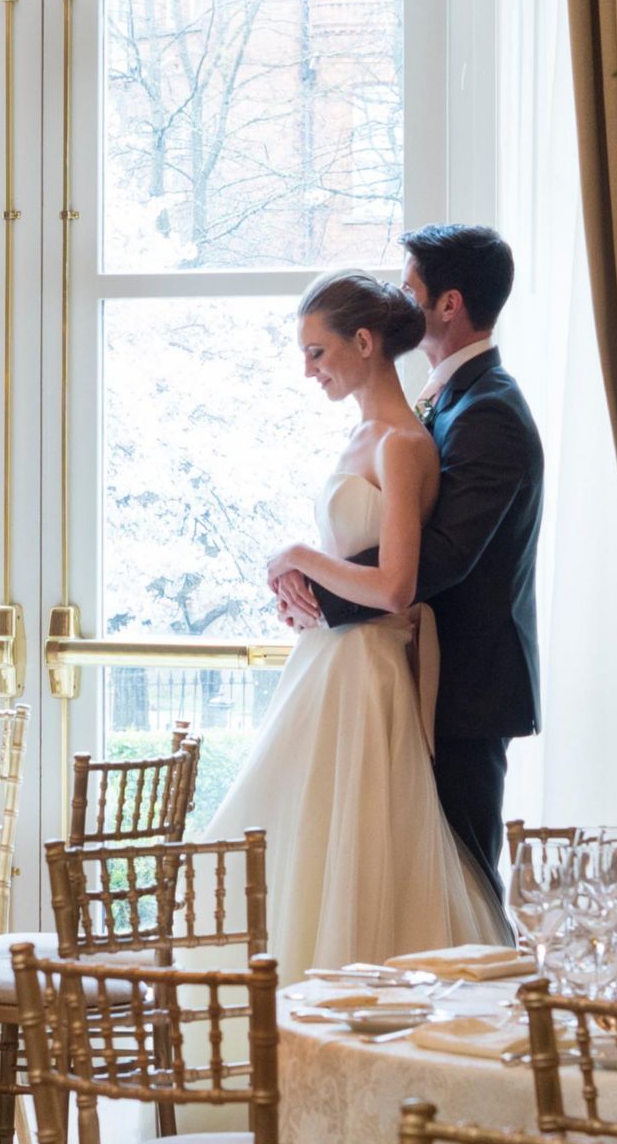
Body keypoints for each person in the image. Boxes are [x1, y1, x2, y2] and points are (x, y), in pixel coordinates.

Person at [198, 270, 505, 975]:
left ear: (364, 342)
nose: (309, 370)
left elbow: (396, 586)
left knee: (355, 850)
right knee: (298, 840)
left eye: (317, 352)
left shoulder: (403, 443)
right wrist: (302, 589)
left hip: (366, 672)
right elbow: (353, 564)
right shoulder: (366, 435)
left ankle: (350, 1010)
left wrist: (299, 556)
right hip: (329, 661)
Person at [270, 225, 542, 895]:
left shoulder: (490, 410)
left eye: (410, 286)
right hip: (406, 666)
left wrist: (313, 585)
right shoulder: (442, 399)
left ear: (448, 304)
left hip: (464, 685)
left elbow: (442, 555)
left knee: (461, 883)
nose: (399, 297)